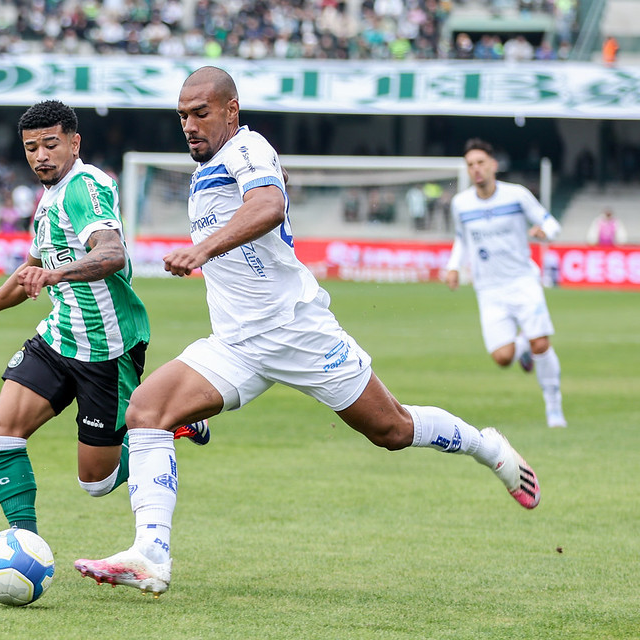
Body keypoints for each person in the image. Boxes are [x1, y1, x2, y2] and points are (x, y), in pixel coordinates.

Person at [73, 66, 541, 597]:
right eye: (182, 115)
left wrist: (203, 250)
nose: (189, 125)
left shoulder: (248, 149)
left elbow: (268, 205)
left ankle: (490, 449)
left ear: (231, 110)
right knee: (147, 411)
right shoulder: (211, 167)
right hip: (236, 343)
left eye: (200, 113)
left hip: (297, 332)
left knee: (393, 430)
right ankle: (151, 555)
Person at [0, 101, 208, 571]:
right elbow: (32, 271)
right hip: (59, 337)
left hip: (108, 346)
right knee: (0, 431)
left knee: (95, 482)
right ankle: (24, 548)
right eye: (31, 147)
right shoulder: (48, 197)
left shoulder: (86, 186)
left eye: (51, 144)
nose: (40, 156)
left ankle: (170, 424)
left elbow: (112, 253)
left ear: (75, 143)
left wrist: (57, 278)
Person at [444, 138, 567, 429]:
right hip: (488, 289)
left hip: (522, 281)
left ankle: (554, 408)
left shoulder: (517, 195)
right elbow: (461, 239)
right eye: (470, 164)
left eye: (481, 163)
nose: (476, 169)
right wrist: (453, 267)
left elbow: (552, 223)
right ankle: (521, 345)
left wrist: (543, 231)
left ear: (493, 165)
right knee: (502, 357)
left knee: (541, 343)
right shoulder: (461, 204)